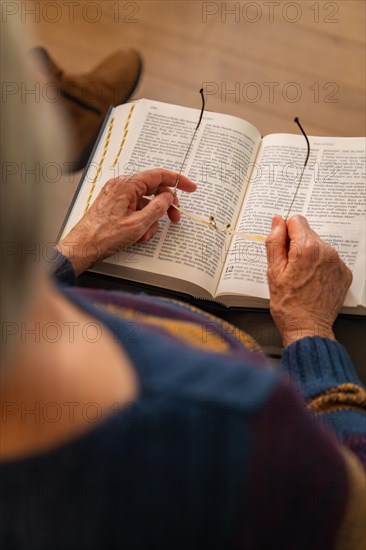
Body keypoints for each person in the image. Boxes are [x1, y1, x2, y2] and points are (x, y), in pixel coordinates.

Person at [1, 19, 365, 550]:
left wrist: (73, 251)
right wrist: (310, 331)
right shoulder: (228, 417)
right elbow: (351, 499)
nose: (42, 72)